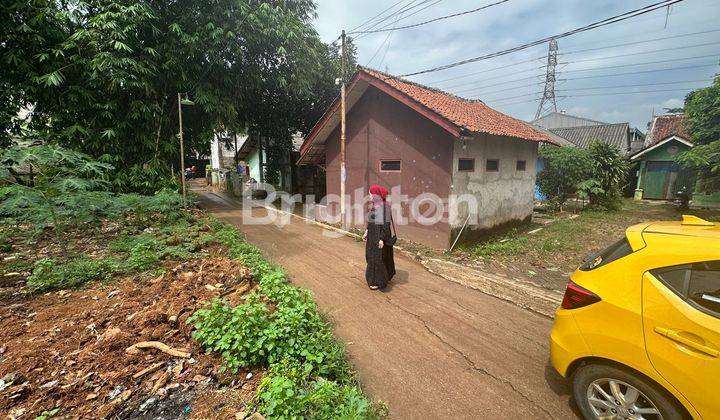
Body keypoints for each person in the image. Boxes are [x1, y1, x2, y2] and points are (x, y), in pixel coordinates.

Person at [363, 184, 396, 290]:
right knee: (370, 256)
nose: (370, 196)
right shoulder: (375, 206)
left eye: (371, 194)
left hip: (379, 237)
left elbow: (386, 225)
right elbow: (371, 221)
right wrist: (367, 231)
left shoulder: (385, 208)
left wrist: (381, 238)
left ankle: (377, 281)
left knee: (377, 258)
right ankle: (383, 276)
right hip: (372, 235)